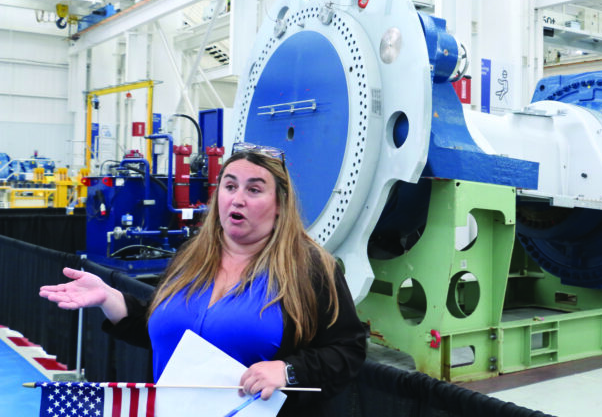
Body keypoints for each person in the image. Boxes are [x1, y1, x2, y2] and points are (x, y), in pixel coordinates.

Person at [40, 144, 367, 416]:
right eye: (230, 186)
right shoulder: (190, 257)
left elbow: (347, 351)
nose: (238, 198)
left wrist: (289, 371)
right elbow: (170, 333)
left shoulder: (310, 269)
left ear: (280, 204)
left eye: (254, 189)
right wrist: (111, 299)